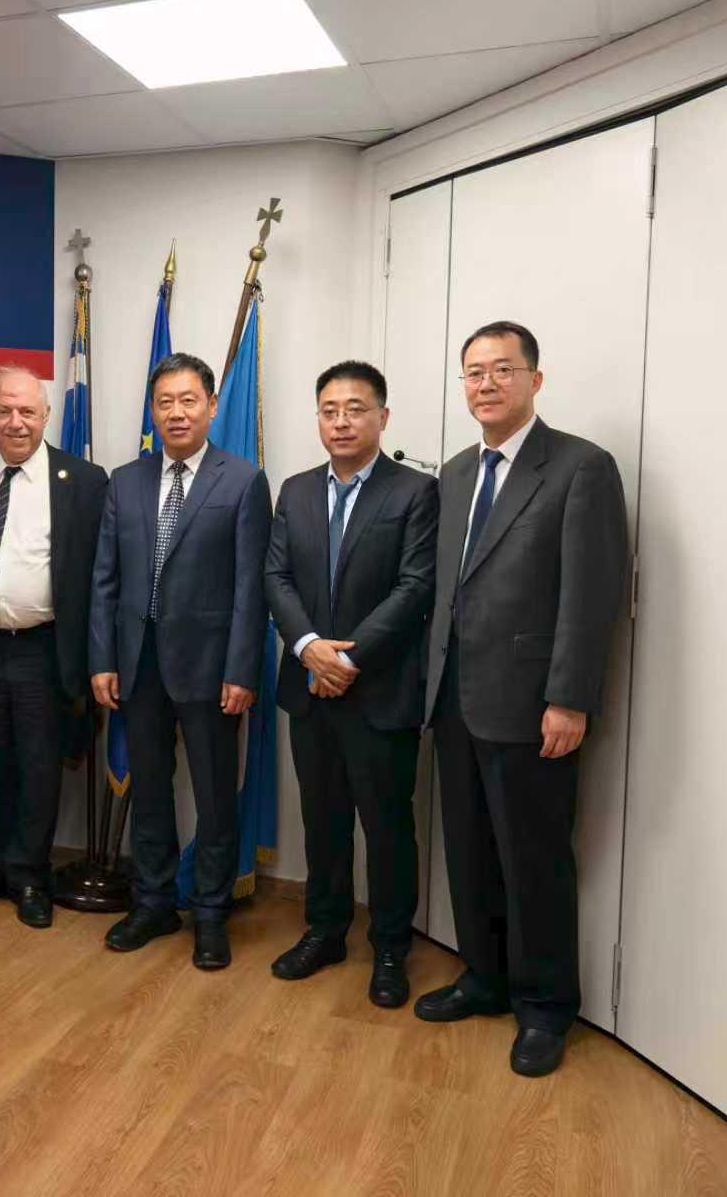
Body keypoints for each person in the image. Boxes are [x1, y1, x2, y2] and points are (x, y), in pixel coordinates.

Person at [416, 321, 629, 1078]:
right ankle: (484, 976)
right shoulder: (453, 473)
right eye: (473, 372)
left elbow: (591, 596)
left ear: (534, 380)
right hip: (453, 699)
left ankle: (544, 1007)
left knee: (534, 860)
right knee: (469, 853)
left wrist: (568, 698)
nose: (486, 384)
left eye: (502, 370)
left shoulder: (579, 467)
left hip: (532, 706)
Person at [88, 353, 272, 970]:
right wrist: (103, 658)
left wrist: (241, 669)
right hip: (136, 666)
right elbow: (105, 580)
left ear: (212, 406)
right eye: (164, 402)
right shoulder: (125, 481)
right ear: (152, 409)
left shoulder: (242, 481)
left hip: (212, 670)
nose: (176, 412)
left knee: (215, 796)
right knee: (150, 791)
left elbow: (251, 587)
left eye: (188, 400)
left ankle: (211, 912)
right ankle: (154, 901)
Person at [264, 360, 438, 1008]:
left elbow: (415, 587)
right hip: (308, 690)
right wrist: (309, 649)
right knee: (323, 820)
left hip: (379, 691)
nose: (341, 421)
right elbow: (276, 577)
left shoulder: (414, 493)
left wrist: (347, 660)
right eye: (329, 410)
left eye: (355, 409)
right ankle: (326, 930)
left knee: (387, 828)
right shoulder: (296, 490)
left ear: (382, 417)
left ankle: (390, 947)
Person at [0, 366, 108, 928]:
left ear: (46, 415)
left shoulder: (84, 480)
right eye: (4, 410)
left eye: (28, 411)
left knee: (38, 769)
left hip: (43, 649)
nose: (16, 422)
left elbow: (98, 576)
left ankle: (30, 877)